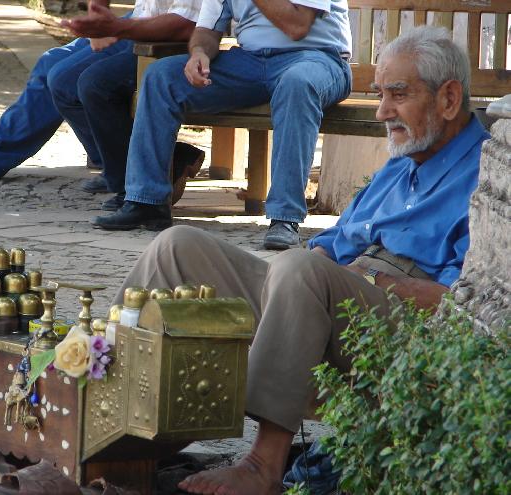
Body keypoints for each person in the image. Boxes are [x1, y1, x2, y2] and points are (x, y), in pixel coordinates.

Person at [111, 26, 487, 494]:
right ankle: (119, 427)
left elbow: (469, 312)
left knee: (299, 269)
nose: (383, 111)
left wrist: (368, 279)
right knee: (179, 247)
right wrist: (306, 274)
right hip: (326, 294)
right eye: (381, 95)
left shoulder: (488, 183)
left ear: (449, 99)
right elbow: (329, 246)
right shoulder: (401, 163)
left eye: (398, 95)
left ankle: (263, 467)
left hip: (402, 334)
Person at [91, 0, 352, 248]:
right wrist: (199, 54)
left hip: (317, 59)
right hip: (251, 61)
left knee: (297, 84)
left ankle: (285, 218)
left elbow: (296, 26)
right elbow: (207, 30)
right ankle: (146, 201)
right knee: (161, 77)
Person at [0, 0, 205, 211]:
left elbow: (187, 23)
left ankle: (136, 163)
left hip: (172, 35)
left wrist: (118, 28)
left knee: (66, 80)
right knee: (51, 62)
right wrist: (98, 15)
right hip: (144, 17)